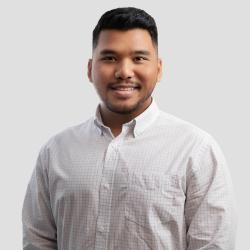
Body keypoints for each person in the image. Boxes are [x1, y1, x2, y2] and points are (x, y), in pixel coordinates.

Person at [22, 7, 237, 250]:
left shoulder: (196, 150)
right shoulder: (56, 151)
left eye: (139, 58)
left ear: (158, 69)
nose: (124, 72)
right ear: (90, 69)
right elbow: (37, 242)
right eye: (110, 58)